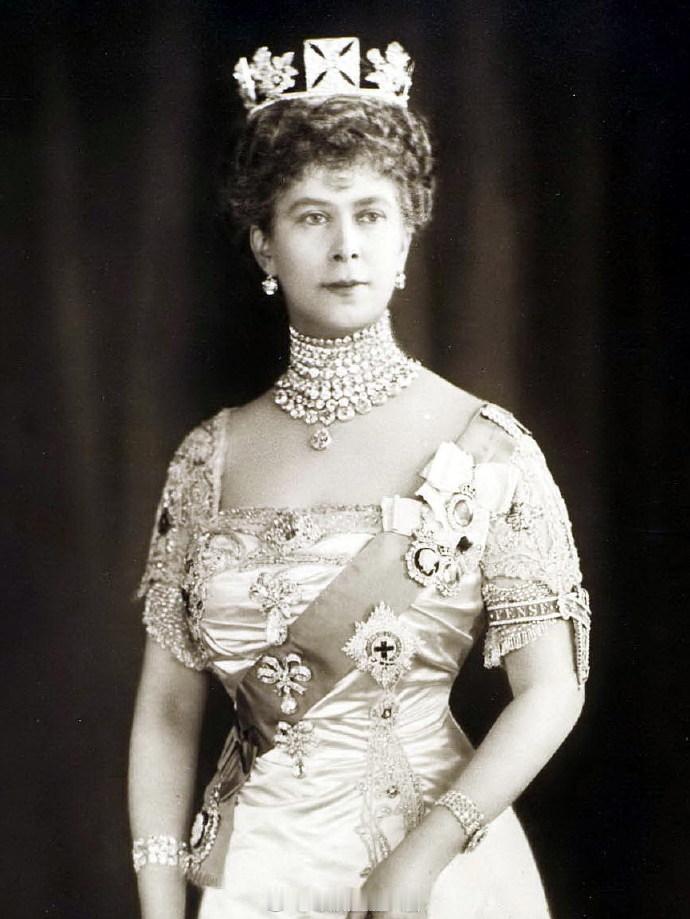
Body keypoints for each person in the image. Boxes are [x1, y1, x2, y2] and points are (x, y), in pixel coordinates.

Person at [128, 37, 591, 919]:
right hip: (254, 880)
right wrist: (158, 901)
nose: (346, 246)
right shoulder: (205, 459)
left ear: (407, 234)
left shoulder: (488, 448)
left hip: (440, 876)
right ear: (264, 244)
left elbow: (553, 689)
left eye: (371, 214)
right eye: (312, 216)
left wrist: (423, 858)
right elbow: (167, 709)